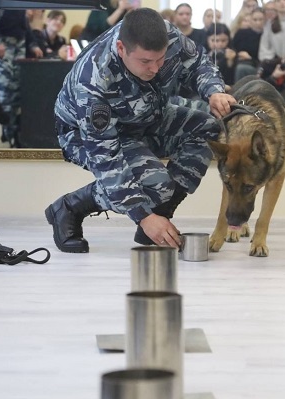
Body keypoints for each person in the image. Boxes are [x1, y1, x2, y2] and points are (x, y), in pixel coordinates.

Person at [45, 8, 235, 253]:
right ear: (122, 49)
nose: (155, 68)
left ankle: (161, 212)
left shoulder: (165, 34)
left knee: (209, 128)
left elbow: (197, 62)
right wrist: (142, 217)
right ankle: (69, 207)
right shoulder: (93, 81)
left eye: (161, 59)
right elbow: (108, 161)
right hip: (86, 136)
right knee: (156, 185)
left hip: (147, 115)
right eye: (145, 61)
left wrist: (214, 91)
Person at [0, 10, 43, 147]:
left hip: (17, 42)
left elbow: (21, 18)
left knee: (16, 96)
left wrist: (32, 43)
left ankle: (10, 142)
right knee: (2, 94)